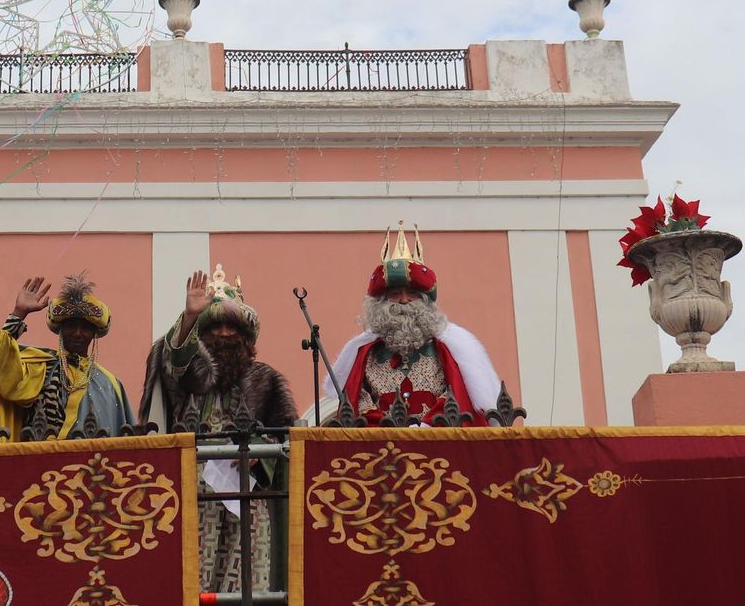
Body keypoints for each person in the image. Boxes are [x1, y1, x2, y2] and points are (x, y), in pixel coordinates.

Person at [140, 264, 297, 594]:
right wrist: (188, 318)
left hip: (251, 493)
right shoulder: (189, 380)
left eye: (231, 327)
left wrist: (262, 450)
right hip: (194, 490)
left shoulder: (266, 379)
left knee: (249, 578)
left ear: (245, 336)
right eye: (215, 327)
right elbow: (172, 362)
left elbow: (287, 438)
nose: (224, 334)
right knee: (195, 576)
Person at [323, 222, 504, 425]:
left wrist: (427, 426)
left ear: (425, 301)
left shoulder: (447, 348)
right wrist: (386, 426)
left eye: (412, 294)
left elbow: (457, 395)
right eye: (394, 294)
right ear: (380, 303)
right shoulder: (365, 352)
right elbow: (357, 401)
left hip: (439, 443)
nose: (404, 300)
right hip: (380, 445)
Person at [0, 274, 134, 444]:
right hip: (41, 468)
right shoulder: (40, 367)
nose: (78, 333)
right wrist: (18, 314)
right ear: (60, 330)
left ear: (94, 333)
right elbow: (0, 371)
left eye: (85, 327)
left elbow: (127, 441)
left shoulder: (111, 384)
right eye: (71, 325)